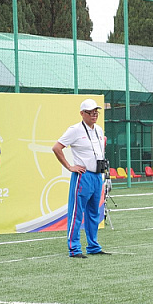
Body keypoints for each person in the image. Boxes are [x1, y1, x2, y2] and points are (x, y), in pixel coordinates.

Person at [52, 99, 110, 258]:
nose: (94, 115)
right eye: (90, 112)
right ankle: (74, 248)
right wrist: (70, 166)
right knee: (76, 213)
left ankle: (93, 246)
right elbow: (56, 148)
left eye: (96, 112)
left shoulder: (99, 130)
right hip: (83, 176)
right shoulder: (75, 130)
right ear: (82, 113)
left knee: (94, 213)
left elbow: (101, 145)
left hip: (97, 176)